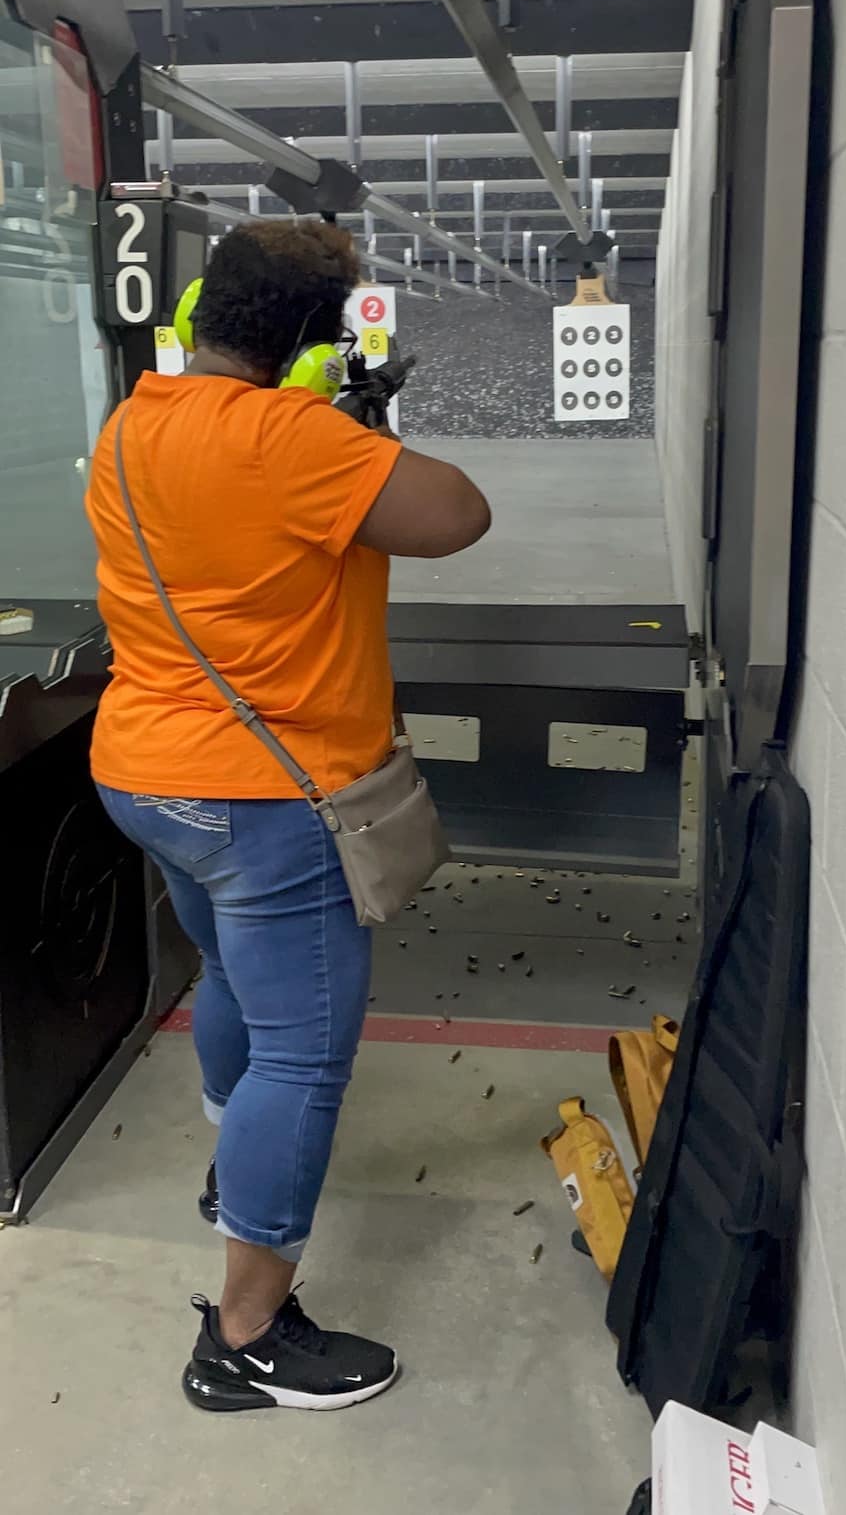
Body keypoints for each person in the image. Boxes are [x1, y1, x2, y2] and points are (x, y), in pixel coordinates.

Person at [85, 218, 490, 1415]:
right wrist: (353, 420)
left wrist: (329, 417)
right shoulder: (298, 438)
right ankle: (246, 1334)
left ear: (209, 311)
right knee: (304, 1057)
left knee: (230, 980)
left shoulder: (132, 422)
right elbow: (457, 514)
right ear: (315, 340)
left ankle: (232, 1176)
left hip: (145, 778)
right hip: (265, 796)